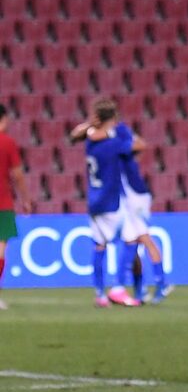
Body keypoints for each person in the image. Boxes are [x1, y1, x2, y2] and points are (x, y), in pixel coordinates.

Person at [69, 98, 142, 308]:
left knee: (99, 246)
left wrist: (93, 125)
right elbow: (137, 146)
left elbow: (78, 134)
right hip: (111, 201)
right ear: (113, 119)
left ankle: (100, 295)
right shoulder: (114, 143)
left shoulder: (91, 140)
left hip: (94, 201)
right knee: (131, 239)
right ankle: (118, 288)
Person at [113, 121, 173, 304]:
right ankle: (140, 290)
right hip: (129, 198)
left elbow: (140, 144)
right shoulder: (122, 151)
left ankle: (161, 283)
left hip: (136, 198)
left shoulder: (120, 143)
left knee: (144, 239)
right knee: (132, 242)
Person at [0, 103, 33, 310]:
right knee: (0, 251)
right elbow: (17, 174)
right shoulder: (7, 142)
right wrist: (25, 198)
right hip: (2, 203)